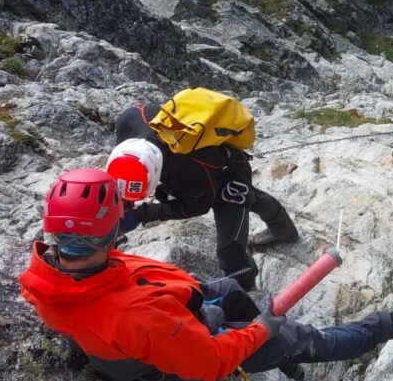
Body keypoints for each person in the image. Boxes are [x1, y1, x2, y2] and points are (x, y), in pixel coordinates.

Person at [19, 168, 393, 381]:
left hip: (167, 316)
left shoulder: (53, 271)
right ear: (110, 232)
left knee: (231, 291)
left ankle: (274, 355)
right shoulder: (132, 314)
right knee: (299, 338)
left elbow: (131, 293)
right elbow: (208, 362)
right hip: (179, 361)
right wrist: (260, 331)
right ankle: (389, 325)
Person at [113, 98, 299, 291]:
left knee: (230, 255)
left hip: (228, 175)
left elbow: (197, 207)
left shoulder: (189, 168)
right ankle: (283, 228)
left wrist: (144, 213)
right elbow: (128, 171)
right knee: (251, 197)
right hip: (207, 164)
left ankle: (248, 293)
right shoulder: (130, 120)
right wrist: (121, 207)